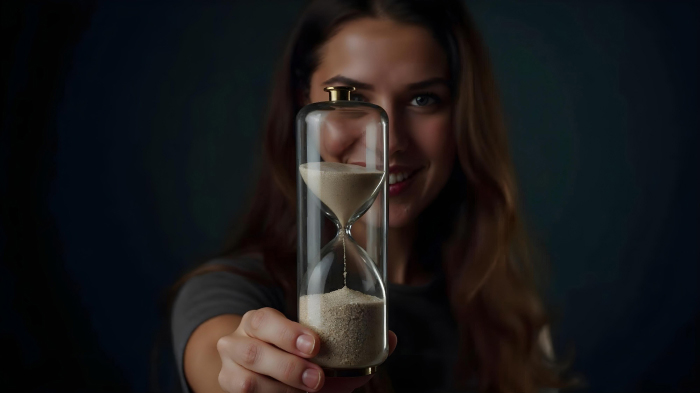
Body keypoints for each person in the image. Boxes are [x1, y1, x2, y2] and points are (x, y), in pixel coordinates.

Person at [171, 0, 570, 392]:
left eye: (423, 99)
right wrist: (245, 374)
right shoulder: (234, 288)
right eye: (352, 100)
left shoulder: (504, 304)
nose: (389, 142)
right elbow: (218, 353)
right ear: (303, 104)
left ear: (462, 114)